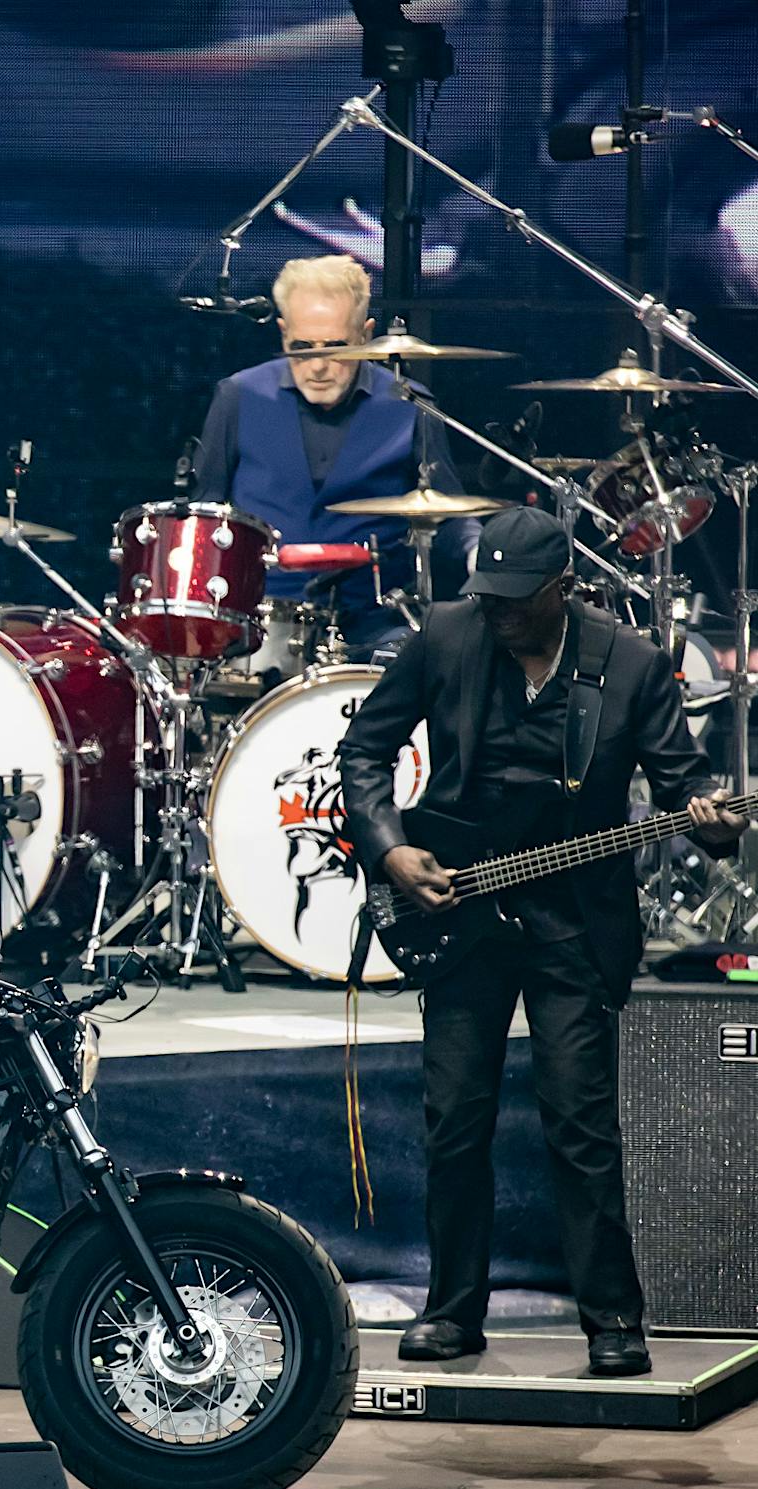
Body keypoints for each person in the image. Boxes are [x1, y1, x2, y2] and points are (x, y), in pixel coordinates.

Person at [339, 505, 748, 1377]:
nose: (499, 612)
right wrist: (392, 847)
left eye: (518, 599)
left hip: (573, 921)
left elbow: (689, 795)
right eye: (488, 595)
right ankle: (451, 1312)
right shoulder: (448, 634)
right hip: (459, 913)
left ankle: (611, 1319)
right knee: (455, 1120)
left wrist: (714, 823)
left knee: (580, 1124)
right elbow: (365, 750)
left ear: (564, 589)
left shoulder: (631, 665)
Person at [192, 254, 479, 659]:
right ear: (282, 333)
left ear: (365, 336)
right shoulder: (239, 396)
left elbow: (451, 514)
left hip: (376, 625)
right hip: (259, 626)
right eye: (301, 347)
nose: (318, 366)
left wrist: (476, 550)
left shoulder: (409, 404)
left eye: (335, 348)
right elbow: (204, 517)